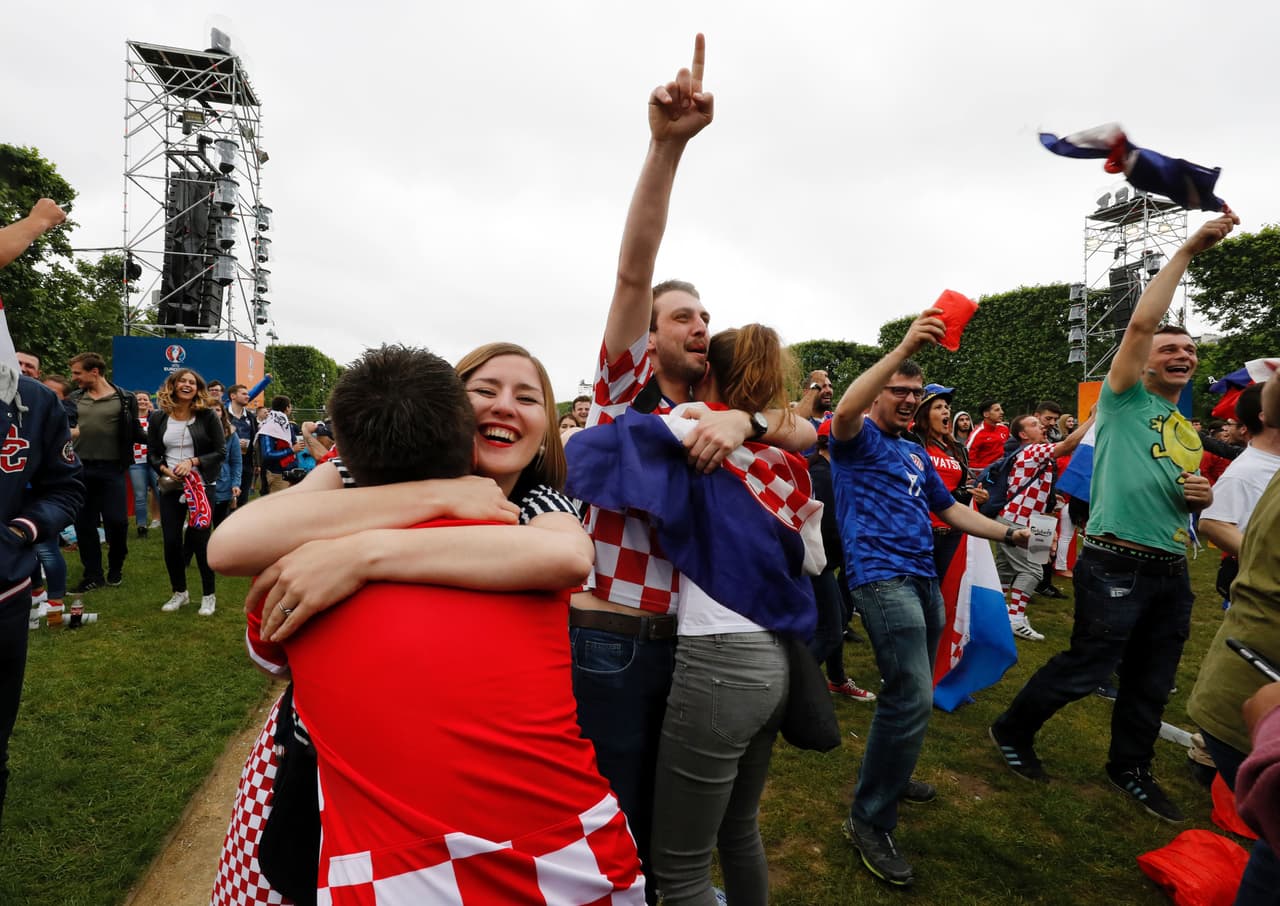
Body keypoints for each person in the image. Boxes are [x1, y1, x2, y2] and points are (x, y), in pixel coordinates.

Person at [222, 345, 643, 903]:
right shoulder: (356, 472)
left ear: (547, 428)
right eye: (486, 390)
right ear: (454, 410)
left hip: (464, 794)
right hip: (325, 768)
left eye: (527, 396)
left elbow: (566, 559)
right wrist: (437, 494)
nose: (506, 407)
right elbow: (231, 543)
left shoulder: (542, 507)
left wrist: (361, 554)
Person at [568, 36, 814, 899]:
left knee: (676, 825)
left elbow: (807, 429)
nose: (698, 323)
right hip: (619, 639)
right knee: (617, 822)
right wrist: (666, 148)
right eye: (681, 314)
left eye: (706, 313)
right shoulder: (626, 396)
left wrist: (746, 413)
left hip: (699, 646)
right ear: (650, 332)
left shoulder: (727, 420)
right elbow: (634, 265)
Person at [989, 211, 1236, 824]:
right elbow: (1140, 323)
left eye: (1189, 349)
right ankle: (1012, 730)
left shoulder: (1182, 426)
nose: (1182, 354)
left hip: (1170, 565)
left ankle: (1129, 767)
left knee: (1152, 678)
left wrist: (1197, 499)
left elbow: (1179, 493)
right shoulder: (1125, 399)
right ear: (1146, 364)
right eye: (1169, 348)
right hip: (1114, 558)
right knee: (1088, 666)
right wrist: (1185, 250)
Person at [829, 310, 1030, 887]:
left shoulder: (915, 452)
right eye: (901, 390)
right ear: (878, 393)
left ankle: (889, 779)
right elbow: (844, 410)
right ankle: (868, 819)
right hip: (880, 577)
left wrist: (1009, 531)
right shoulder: (857, 437)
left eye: (918, 391)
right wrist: (903, 347)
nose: (912, 399)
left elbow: (948, 510)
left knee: (913, 691)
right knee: (912, 693)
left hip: (922, 578)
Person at [0, 196, 85, 827]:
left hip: (3, 590)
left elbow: (64, 485)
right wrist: (35, 224)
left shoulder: (32, 402)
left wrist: (23, 529)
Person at [1187, 368, 1280, 906]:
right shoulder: (1249, 470)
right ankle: (1206, 756)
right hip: (1255, 650)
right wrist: (1258, 555)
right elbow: (1215, 523)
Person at [993, 410, 1093, 641]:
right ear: (1023, 434)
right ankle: (1015, 619)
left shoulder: (1037, 452)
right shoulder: (1032, 450)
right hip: (1018, 522)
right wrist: (1093, 417)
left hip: (1037, 521)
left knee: (1006, 573)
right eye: (1035, 424)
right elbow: (1067, 445)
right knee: (1033, 570)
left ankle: (994, 616)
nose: (1043, 427)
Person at [809, 420, 877, 702]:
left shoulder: (829, 471)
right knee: (830, 630)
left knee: (835, 623)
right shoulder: (823, 475)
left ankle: (836, 680)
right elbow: (828, 527)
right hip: (818, 562)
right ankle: (790, 685)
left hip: (823, 560)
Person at [148, 368, 225, 615]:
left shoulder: (207, 417)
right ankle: (179, 592)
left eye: (192, 382)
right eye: (182, 380)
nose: (187, 385)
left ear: (197, 388)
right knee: (171, 542)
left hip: (201, 487)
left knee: (200, 541)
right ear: (172, 385)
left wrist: (192, 462)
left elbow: (219, 452)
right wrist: (163, 469)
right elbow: (152, 453)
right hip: (172, 487)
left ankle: (208, 595)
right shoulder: (159, 417)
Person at [67, 352, 146, 591]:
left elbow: (134, 432)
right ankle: (93, 574)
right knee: (84, 524)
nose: (74, 378)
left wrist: (160, 441)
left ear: (94, 371)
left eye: (77, 373)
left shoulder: (125, 398)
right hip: (79, 469)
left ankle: (115, 567)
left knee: (117, 522)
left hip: (112, 469)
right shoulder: (74, 398)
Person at [909, 383, 988, 580]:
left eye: (947, 407)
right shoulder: (912, 442)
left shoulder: (958, 449)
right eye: (938, 407)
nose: (946, 411)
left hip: (953, 533)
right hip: (920, 533)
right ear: (924, 413)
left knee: (946, 593)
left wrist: (974, 494)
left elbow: (959, 486)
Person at [256, 396, 302, 495]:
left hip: (286, 472)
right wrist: (291, 450)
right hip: (274, 474)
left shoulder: (286, 425)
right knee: (277, 507)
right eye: (290, 406)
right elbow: (267, 454)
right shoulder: (269, 426)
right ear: (287, 408)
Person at [208, 398, 242, 527]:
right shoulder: (196, 431)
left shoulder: (231, 434)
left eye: (217, 409)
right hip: (201, 482)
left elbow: (236, 462)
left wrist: (235, 483)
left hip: (223, 483)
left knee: (220, 523)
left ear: (222, 413)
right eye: (210, 409)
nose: (214, 412)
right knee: (201, 525)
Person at [130, 390, 159, 538]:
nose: (142, 401)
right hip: (136, 462)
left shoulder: (155, 417)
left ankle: (170, 522)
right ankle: (141, 526)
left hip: (155, 461)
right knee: (140, 495)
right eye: (139, 399)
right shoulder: (129, 419)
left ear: (149, 402)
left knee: (161, 493)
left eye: (145, 399)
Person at [966, 399, 1008, 474]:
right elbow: (968, 463)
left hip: (1004, 475)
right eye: (997, 410)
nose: (1002, 412)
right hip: (985, 479)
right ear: (986, 414)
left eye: (1001, 409)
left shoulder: (1004, 429)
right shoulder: (977, 434)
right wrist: (992, 467)